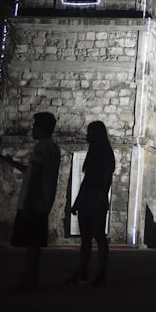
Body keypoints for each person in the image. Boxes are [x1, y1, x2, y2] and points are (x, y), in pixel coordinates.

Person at [0, 111, 61, 291]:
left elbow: (35, 177)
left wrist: (27, 203)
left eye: (34, 126)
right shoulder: (53, 148)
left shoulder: (40, 147)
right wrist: (13, 163)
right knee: (34, 244)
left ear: (41, 128)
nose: (32, 129)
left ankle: (30, 279)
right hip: (43, 201)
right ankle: (29, 277)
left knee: (32, 244)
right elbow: (33, 171)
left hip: (34, 201)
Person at [66, 120, 115, 287]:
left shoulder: (105, 154)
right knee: (86, 237)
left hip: (96, 198)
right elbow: (86, 180)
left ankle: (101, 272)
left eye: (90, 132)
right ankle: (83, 272)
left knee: (99, 236)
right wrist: (78, 201)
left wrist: (100, 199)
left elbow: (106, 180)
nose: (87, 135)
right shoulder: (93, 152)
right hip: (88, 197)